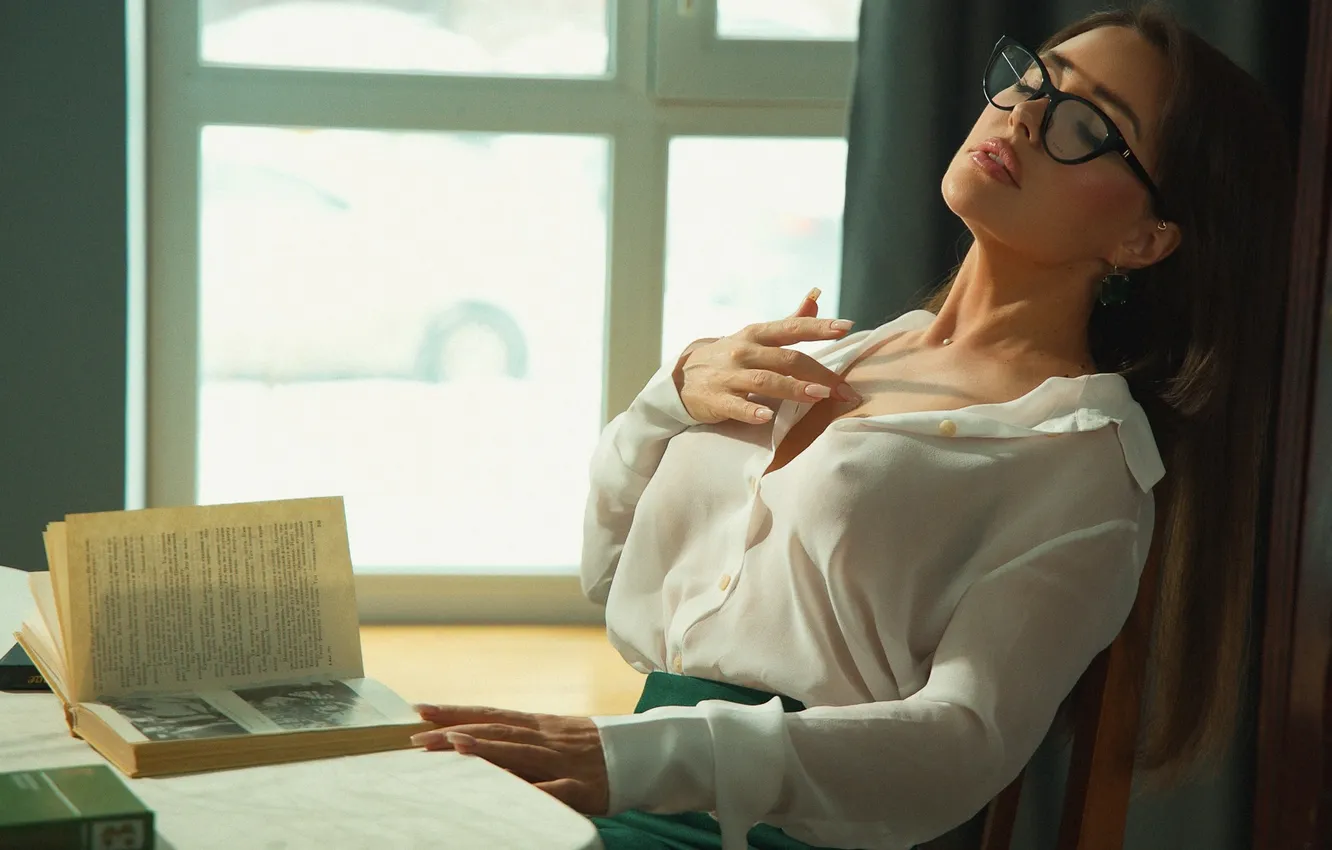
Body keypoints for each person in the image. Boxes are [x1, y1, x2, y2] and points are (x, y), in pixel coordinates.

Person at [407, 5, 1295, 849]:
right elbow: (606, 573)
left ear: (1146, 240)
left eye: (1089, 125)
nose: (1025, 118)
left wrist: (634, 757)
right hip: (605, 790)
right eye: (1034, 81)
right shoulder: (838, 352)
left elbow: (960, 743)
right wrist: (670, 395)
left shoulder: (1078, 457)